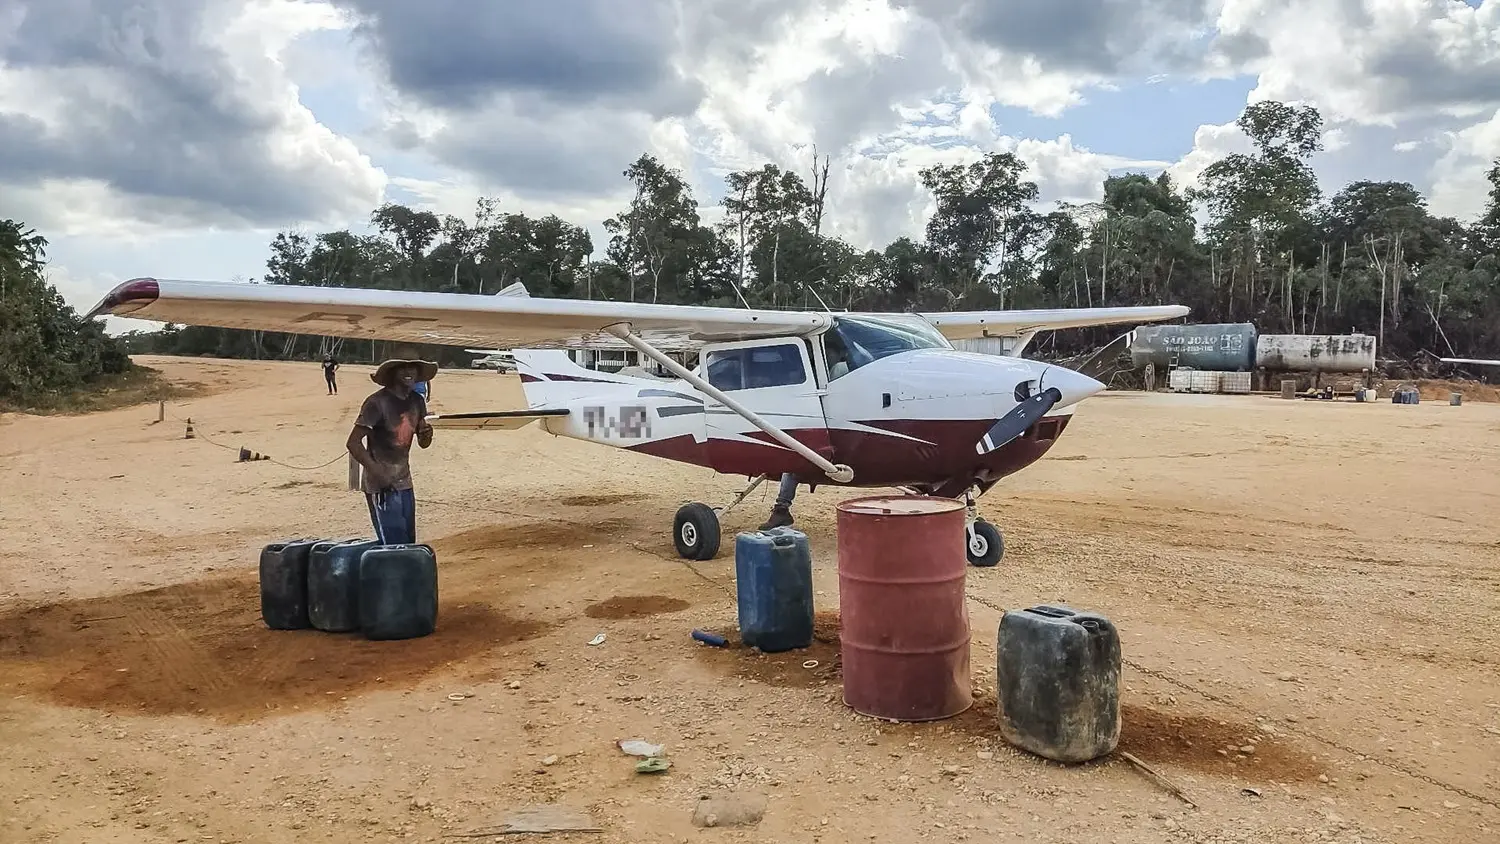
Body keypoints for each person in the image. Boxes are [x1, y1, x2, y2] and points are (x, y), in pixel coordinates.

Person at [346, 359, 437, 545]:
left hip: (404, 480)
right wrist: (377, 472)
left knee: (408, 542)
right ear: (392, 373)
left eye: (412, 367)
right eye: (402, 368)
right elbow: (353, 443)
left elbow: (423, 442)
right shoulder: (377, 403)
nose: (408, 372)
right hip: (381, 485)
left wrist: (427, 435)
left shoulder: (417, 401)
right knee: (393, 544)